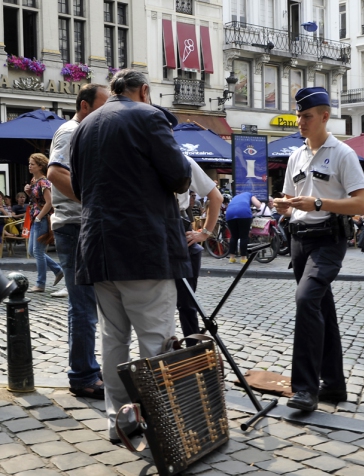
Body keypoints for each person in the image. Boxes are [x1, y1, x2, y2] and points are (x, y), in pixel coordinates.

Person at [70, 69, 192, 441]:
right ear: (143, 90)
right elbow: (180, 177)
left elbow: (78, 187)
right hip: (143, 245)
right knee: (155, 340)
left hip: (100, 249)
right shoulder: (149, 115)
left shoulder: (85, 126)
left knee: (113, 339)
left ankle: (118, 423)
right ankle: (161, 426)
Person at [275, 87, 364, 412]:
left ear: (325, 116)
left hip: (329, 239)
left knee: (306, 301)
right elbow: (291, 202)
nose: (299, 121)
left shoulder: (342, 154)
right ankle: (334, 385)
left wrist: (318, 202)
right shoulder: (295, 155)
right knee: (321, 309)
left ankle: (304, 388)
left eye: (306, 116)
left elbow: (362, 203)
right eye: (299, 115)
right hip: (299, 240)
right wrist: (283, 206)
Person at [46, 84, 109, 398]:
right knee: (83, 305)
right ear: (85, 106)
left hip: (82, 225)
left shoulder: (83, 132)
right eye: (102, 106)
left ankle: (88, 370)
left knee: (88, 304)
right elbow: (56, 172)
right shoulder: (71, 131)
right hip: (75, 226)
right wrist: (93, 200)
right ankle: (83, 376)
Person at [151, 105, 222, 344]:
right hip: (154, 236)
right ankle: (169, 355)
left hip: (180, 234)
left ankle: (192, 355)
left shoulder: (184, 161)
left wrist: (205, 233)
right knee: (161, 303)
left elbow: (216, 197)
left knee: (186, 304)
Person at [25, 153, 64, 293]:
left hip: (40, 220)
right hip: (36, 218)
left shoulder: (43, 182)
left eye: (32, 164)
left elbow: (49, 202)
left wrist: (39, 217)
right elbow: (37, 201)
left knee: (38, 251)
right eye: (29, 163)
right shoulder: (34, 181)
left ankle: (40, 284)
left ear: (40, 166)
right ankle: (58, 270)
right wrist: (28, 192)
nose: (29, 166)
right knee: (32, 251)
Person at [226, 192, 263, 264]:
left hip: (229, 213)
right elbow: (258, 205)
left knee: (234, 236)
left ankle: (231, 258)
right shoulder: (250, 194)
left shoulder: (235, 197)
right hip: (243, 213)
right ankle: (243, 258)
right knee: (244, 237)